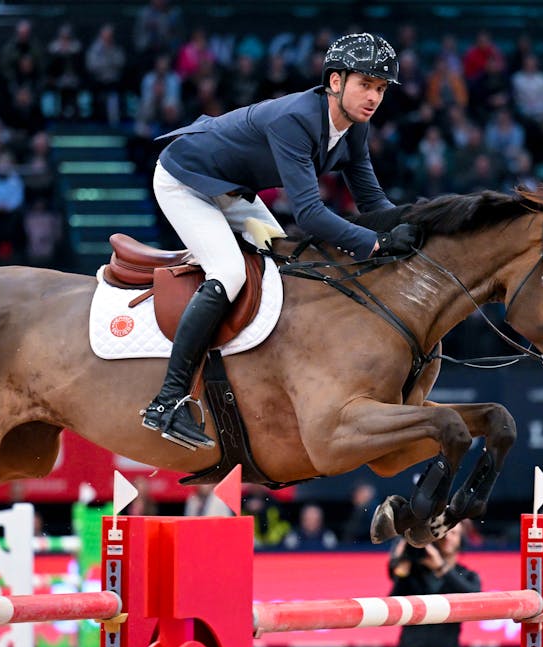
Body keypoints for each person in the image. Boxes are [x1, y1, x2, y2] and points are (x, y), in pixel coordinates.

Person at [141, 33, 422, 450]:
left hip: (230, 189)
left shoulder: (353, 129)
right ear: (335, 82)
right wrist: (377, 245)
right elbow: (308, 214)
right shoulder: (296, 119)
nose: (374, 97)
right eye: (365, 84)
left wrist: (416, 227)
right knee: (231, 272)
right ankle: (167, 401)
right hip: (186, 181)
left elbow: (372, 203)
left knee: (285, 260)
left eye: (381, 89)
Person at [388, 522, 480, 647]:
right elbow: (394, 605)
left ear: (461, 540)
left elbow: (476, 600)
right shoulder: (415, 572)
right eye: (443, 533)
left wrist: (441, 568)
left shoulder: (467, 575)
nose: (447, 537)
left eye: (453, 533)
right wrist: (402, 565)